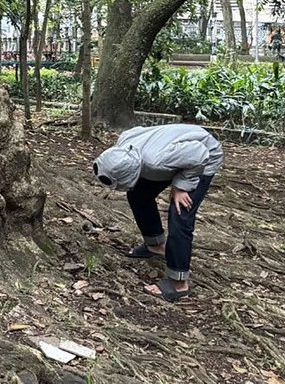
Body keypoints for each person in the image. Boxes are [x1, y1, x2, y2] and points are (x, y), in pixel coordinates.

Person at [92, 124, 224, 301]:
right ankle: (156, 246)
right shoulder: (123, 144)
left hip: (203, 156)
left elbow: (199, 154)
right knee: (138, 195)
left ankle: (179, 284)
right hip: (176, 157)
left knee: (180, 214)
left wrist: (181, 186)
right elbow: (133, 131)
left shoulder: (157, 161)